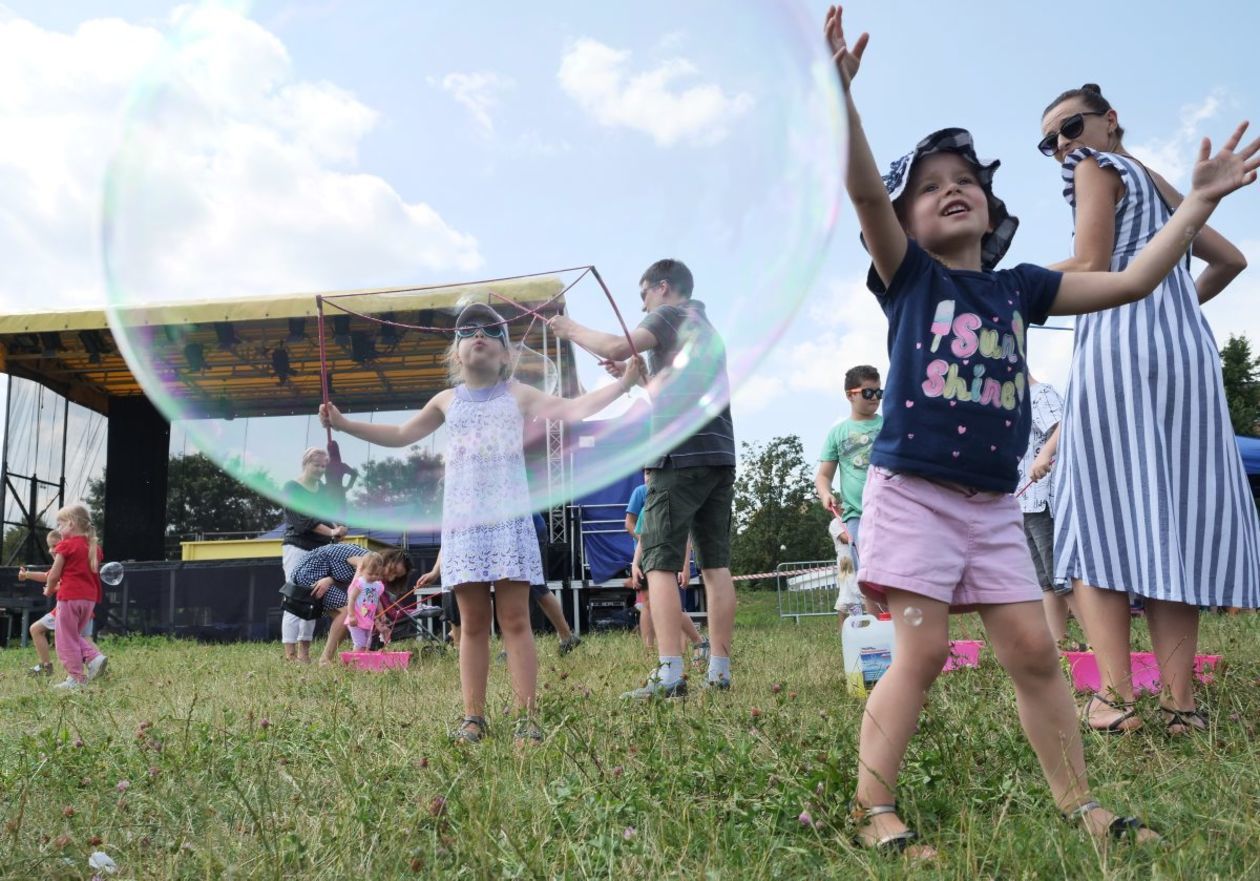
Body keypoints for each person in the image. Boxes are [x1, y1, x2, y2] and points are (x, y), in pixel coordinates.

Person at [826, 5, 1257, 855]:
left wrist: (1194, 204)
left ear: (992, 210)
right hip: (912, 491)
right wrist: (841, 104)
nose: (951, 186)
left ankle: (1077, 799)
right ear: (907, 222)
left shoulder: (1019, 287)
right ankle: (872, 804)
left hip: (989, 503)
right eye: (929, 184)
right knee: (918, 652)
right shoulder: (907, 276)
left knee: (1033, 651)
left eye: (966, 178)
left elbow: (1132, 280)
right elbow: (865, 189)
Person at [1039, 83, 1260, 734]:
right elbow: (1230, 260)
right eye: (1049, 140)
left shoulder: (1094, 168)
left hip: (1115, 354)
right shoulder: (1159, 182)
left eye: (1071, 126)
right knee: (1170, 518)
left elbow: (1090, 262)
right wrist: (1173, 311)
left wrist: (993, 286)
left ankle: (1113, 696)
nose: (1062, 146)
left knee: (1093, 513)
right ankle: (1181, 705)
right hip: (1187, 361)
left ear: (1109, 122)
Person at [321, 302, 641, 744]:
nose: (478, 334)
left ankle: (527, 717)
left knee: (515, 619)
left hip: (508, 520)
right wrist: (343, 424)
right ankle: (473, 717)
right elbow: (399, 436)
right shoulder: (446, 401)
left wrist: (624, 382)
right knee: (470, 622)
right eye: (467, 330)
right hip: (465, 524)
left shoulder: (518, 394)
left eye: (491, 330)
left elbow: (574, 409)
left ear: (506, 355)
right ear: (455, 354)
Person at [550, 259, 737, 698]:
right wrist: (636, 381)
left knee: (658, 563)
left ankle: (670, 673)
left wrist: (571, 329)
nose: (642, 309)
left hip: (680, 456)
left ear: (663, 287)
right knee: (715, 565)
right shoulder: (705, 328)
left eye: (644, 297)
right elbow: (670, 393)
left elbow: (617, 345)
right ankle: (720, 671)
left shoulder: (669, 315)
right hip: (718, 453)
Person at [1015, 374, 1081, 649]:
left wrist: (1044, 456)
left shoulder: (1040, 393)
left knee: (1061, 576)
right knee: (1045, 581)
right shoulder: (1013, 403)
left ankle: (1102, 647)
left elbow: (1064, 426)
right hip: (1023, 501)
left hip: (1044, 497)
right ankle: (1059, 645)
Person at [815, 364, 884, 619]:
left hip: (891, 512)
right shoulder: (838, 433)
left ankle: (900, 632)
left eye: (879, 392)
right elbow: (823, 476)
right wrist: (825, 493)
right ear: (850, 395)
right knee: (866, 576)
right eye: (868, 393)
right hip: (856, 516)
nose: (875, 398)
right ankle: (878, 629)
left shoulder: (890, 426)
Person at [280, 447, 348, 662]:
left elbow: (331, 516)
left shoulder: (325, 490)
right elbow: (303, 521)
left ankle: (304, 652)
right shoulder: (291, 488)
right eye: (316, 465)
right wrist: (331, 531)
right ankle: (290, 655)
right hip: (297, 547)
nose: (320, 469)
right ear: (305, 463)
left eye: (323, 466)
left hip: (319, 550)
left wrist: (340, 528)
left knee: (314, 599)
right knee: (296, 597)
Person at [291, 544, 411, 665]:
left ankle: (306, 657)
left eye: (396, 577)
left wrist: (379, 621)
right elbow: (358, 572)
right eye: (393, 571)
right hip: (310, 571)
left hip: (321, 575)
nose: (390, 578)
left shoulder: (373, 578)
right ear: (387, 559)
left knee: (350, 615)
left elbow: (367, 600)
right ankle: (325, 659)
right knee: (347, 613)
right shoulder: (367, 560)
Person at [629, 486, 707, 658]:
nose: (648, 478)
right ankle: (655, 651)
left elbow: (686, 538)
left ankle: (698, 641)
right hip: (649, 563)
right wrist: (635, 564)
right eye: (646, 473)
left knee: (671, 608)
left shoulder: (675, 506)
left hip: (669, 562)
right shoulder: (645, 510)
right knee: (650, 605)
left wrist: (685, 567)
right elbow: (642, 539)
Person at [43, 503, 107, 690]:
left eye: (60, 525)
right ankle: (93, 659)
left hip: (70, 597)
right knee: (72, 635)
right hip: (89, 600)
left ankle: (77, 677)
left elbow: (54, 574)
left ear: (71, 524)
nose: (59, 529)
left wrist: (49, 589)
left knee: (64, 637)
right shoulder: (93, 547)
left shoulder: (66, 546)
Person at [18, 529, 91, 676]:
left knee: (38, 630)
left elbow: (58, 579)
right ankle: (97, 663)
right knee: (82, 639)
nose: (51, 550)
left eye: (55, 545)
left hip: (69, 607)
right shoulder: (68, 561)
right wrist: (27, 574)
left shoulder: (67, 561)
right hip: (80, 608)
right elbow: (48, 576)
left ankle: (48, 667)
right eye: (49, 546)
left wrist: (55, 586)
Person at [345, 552, 392, 650]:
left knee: (367, 645)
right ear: (362, 570)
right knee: (360, 644)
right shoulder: (361, 583)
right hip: (357, 620)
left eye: (377, 574)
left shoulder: (378, 585)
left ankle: (363, 662)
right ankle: (355, 662)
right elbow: (351, 599)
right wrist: (351, 615)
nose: (374, 577)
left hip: (368, 620)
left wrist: (382, 615)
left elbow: (377, 601)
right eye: (370, 574)